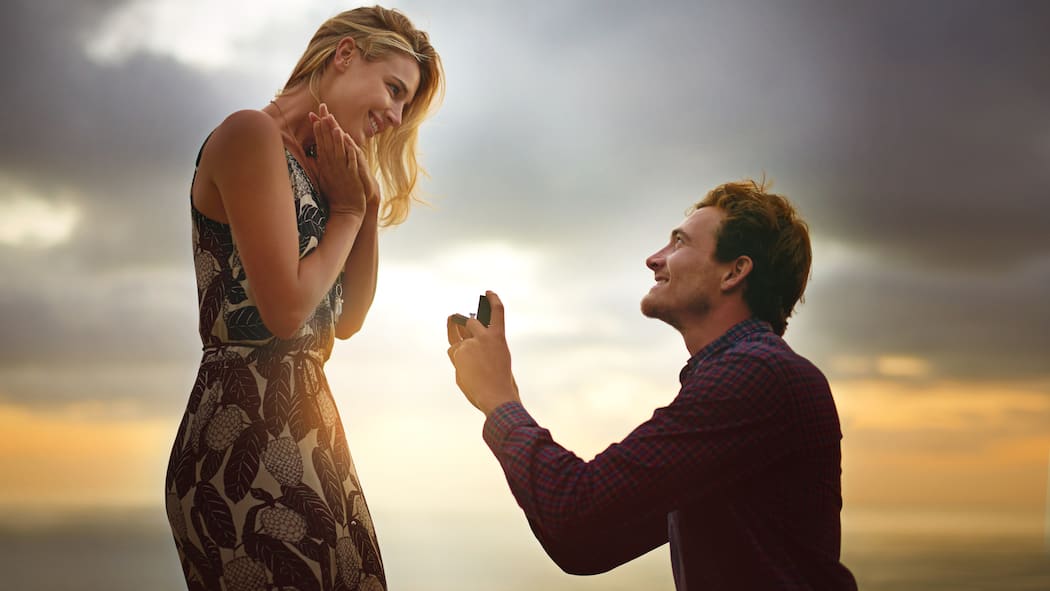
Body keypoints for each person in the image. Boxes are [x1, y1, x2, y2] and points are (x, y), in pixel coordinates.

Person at [445, 180, 858, 590]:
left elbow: (576, 517)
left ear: (734, 271)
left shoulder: (756, 376)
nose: (653, 259)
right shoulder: (744, 378)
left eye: (679, 244)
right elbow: (590, 546)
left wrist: (500, 400)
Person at [164, 7, 443, 591]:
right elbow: (287, 313)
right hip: (238, 435)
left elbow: (348, 321)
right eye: (394, 90)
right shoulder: (250, 133)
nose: (394, 117)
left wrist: (360, 204)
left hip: (312, 428)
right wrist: (344, 211)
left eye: (404, 106)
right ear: (344, 56)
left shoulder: (323, 171)